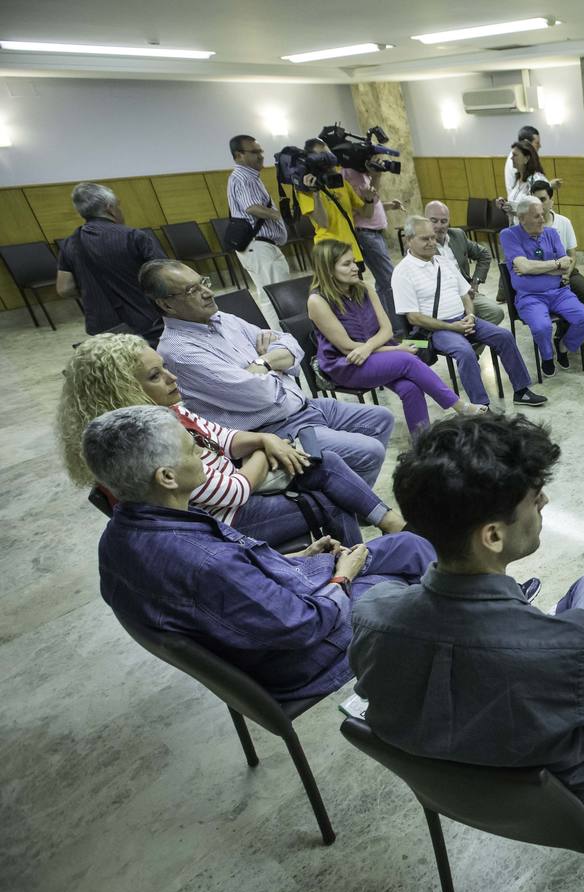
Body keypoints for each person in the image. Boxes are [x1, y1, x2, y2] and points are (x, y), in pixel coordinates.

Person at [348, 414, 584, 809]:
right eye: (535, 498)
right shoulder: (578, 644)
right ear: (493, 535)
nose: (545, 502)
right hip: (556, 800)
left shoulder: (370, 615)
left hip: (441, 792)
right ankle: (540, 620)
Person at [88, 405, 434, 701]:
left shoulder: (123, 532)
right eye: (192, 451)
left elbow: (234, 577)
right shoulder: (204, 561)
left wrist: (296, 558)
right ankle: (449, 652)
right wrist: (343, 577)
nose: (203, 456)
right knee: (406, 582)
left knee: (408, 544)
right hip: (299, 655)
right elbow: (304, 625)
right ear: (166, 477)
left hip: (267, 617)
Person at [58, 333, 405, 547]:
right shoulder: (145, 445)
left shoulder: (168, 411)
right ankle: (352, 572)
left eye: (163, 367)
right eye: (155, 375)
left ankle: (390, 525)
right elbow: (231, 492)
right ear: (123, 389)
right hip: (219, 524)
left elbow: (224, 437)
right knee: (331, 501)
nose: (171, 377)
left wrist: (262, 440)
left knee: (323, 461)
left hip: (234, 490)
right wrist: (266, 448)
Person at [146, 259, 395, 487]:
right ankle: (339, 502)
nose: (208, 292)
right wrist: (276, 364)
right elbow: (261, 394)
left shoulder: (223, 319)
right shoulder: (179, 351)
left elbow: (290, 343)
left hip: (302, 406)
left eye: (203, 282)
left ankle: (346, 492)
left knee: (381, 418)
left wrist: (263, 363)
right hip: (272, 430)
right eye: (192, 290)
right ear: (166, 304)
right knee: (369, 450)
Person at [307, 238, 485, 431]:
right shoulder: (317, 301)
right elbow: (347, 347)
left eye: (354, 262)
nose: (356, 268)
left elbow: (387, 330)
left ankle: (421, 444)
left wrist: (371, 347)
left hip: (373, 355)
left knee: (411, 388)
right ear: (328, 269)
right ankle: (459, 405)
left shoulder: (364, 288)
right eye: (346, 264)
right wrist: (395, 349)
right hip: (345, 364)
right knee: (407, 360)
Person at [393, 217, 547, 407]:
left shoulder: (442, 261)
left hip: (463, 319)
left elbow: (465, 293)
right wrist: (452, 327)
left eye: (433, 237)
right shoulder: (402, 272)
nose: (432, 242)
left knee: (504, 336)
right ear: (409, 240)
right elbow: (413, 317)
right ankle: (481, 406)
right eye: (425, 239)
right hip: (437, 329)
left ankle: (521, 391)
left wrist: (471, 315)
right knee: (465, 352)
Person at [55, 182, 167, 342]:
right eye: (118, 205)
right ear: (109, 207)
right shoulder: (133, 236)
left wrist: (93, 290)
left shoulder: (70, 243)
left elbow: (64, 289)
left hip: (102, 327)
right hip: (145, 320)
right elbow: (165, 276)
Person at [499, 198, 584, 378]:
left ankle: (563, 345)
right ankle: (547, 357)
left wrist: (538, 269)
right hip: (530, 296)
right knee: (542, 327)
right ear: (522, 219)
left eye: (542, 215)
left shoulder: (551, 233)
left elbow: (565, 265)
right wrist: (555, 265)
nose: (542, 219)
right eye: (537, 216)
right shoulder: (509, 235)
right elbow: (525, 267)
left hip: (559, 292)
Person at [225, 134, 291, 294]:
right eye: (255, 152)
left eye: (261, 151)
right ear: (239, 155)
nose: (261, 156)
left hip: (258, 247)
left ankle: (277, 321)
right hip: (259, 247)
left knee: (270, 296)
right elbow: (251, 207)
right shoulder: (243, 177)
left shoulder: (248, 176)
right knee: (279, 294)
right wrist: (279, 215)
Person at [343, 156, 404, 325]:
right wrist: (377, 177)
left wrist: (389, 205)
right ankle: (398, 328)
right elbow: (364, 208)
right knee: (390, 280)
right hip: (366, 234)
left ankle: (386, 321)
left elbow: (371, 204)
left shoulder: (363, 175)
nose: (379, 164)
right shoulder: (349, 174)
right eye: (375, 160)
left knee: (382, 281)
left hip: (375, 233)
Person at [423, 200, 503, 325]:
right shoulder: (421, 245)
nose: (439, 226)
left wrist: (475, 282)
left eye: (444, 221)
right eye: (434, 221)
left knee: (496, 312)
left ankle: (472, 341)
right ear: (425, 221)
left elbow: (484, 254)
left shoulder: (458, 235)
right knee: (458, 322)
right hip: (443, 299)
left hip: (467, 292)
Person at [297, 138, 366, 266]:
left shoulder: (341, 183)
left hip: (352, 249)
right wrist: (316, 192)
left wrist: (369, 198)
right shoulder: (305, 190)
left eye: (328, 154)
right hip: (330, 251)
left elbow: (366, 213)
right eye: (322, 156)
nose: (328, 160)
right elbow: (323, 223)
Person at [530, 179, 584, 308]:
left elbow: (572, 255)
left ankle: (567, 324)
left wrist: (567, 274)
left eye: (542, 200)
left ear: (551, 201)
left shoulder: (564, 222)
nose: (538, 205)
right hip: (540, 272)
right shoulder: (527, 226)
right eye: (534, 201)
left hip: (565, 269)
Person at [501, 125, 560, 196]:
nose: (540, 146)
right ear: (527, 143)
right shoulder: (518, 159)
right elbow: (528, 189)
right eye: (537, 143)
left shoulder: (519, 156)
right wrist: (549, 185)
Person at [497, 140, 546, 223]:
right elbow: (518, 205)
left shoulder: (536, 180)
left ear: (526, 158)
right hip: (517, 229)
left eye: (515, 155)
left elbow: (541, 210)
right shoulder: (518, 179)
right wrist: (505, 205)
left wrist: (513, 211)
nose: (511, 158)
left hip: (531, 231)